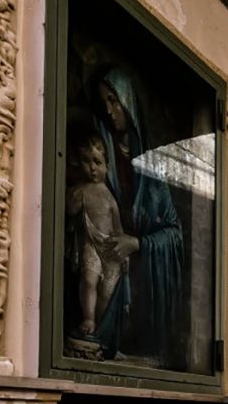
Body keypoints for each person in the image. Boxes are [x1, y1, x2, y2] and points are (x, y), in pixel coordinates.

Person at [90, 68, 184, 366]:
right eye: (104, 102)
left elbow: (174, 232)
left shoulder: (152, 169)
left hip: (142, 283)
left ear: (128, 102)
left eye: (114, 101)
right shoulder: (101, 152)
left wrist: (138, 243)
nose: (109, 110)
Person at [66, 131, 125, 338]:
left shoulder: (110, 197)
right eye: (86, 161)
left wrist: (122, 248)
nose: (92, 168)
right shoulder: (81, 190)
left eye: (97, 162)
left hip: (109, 247)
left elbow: (117, 227)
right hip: (91, 243)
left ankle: (100, 324)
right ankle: (88, 318)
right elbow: (69, 210)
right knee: (89, 280)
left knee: (107, 290)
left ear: (107, 166)